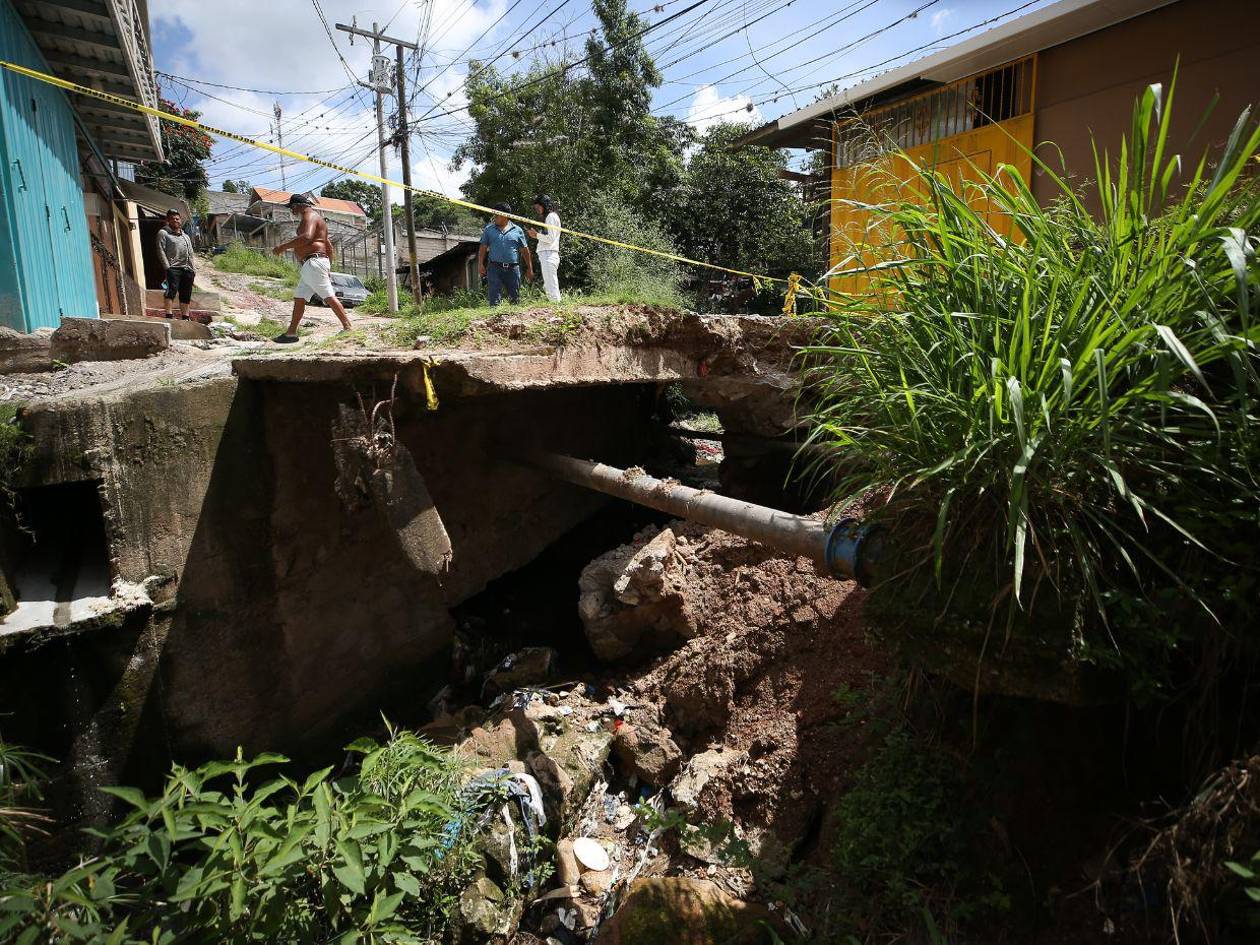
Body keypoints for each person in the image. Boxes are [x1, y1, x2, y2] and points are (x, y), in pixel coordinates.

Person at [270, 193, 352, 343]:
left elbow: (307, 237)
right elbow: (328, 245)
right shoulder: (314, 218)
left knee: (328, 296)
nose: (292, 211)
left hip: (314, 262)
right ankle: (291, 333)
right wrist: (328, 265)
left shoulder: (310, 216)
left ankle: (348, 327)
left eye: (292, 207)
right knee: (299, 298)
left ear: (299, 205)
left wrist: (282, 247)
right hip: (313, 264)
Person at [478, 203, 533, 305]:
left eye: (497, 214)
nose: (495, 217)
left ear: (506, 215)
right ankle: (494, 318)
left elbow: (525, 251)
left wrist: (530, 269)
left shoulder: (518, 231)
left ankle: (514, 319)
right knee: (494, 299)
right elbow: (483, 248)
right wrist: (480, 264)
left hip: (513, 270)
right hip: (494, 268)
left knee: (514, 298)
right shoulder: (489, 230)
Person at [156, 209, 196, 319]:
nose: (175, 221)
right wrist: (167, 267)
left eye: (177, 219)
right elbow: (160, 250)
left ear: (180, 220)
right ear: (168, 220)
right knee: (171, 291)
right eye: (172, 219)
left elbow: (191, 253)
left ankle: (185, 317)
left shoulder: (185, 236)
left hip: (187, 269)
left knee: (186, 294)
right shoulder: (163, 233)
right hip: (173, 268)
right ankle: (169, 315)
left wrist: (193, 269)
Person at [527, 194, 561, 303]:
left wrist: (536, 235)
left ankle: (557, 309)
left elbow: (550, 238)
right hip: (548, 253)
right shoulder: (552, 217)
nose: (537, 210)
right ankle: (556, 307)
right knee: (550, 285)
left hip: (548, 253)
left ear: (544, 205)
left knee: (551, 286)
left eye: (538, 207)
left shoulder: (550, 217)